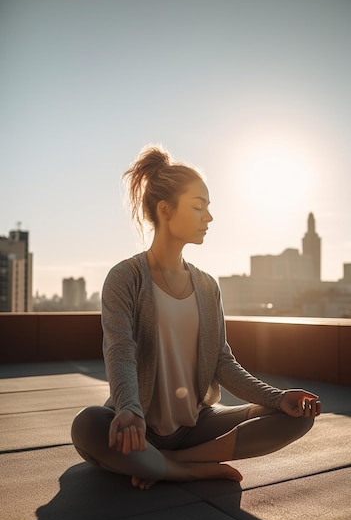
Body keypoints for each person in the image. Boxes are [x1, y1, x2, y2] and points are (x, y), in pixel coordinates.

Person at [71, 145, 321, 490]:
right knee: (87, 425)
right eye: (198, 207)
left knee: (297, 416)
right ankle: (187, 469)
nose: (209, 217)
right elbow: (119, 349)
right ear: (165, 210)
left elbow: (222, 362)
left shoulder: (206, 286)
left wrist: (277, 397)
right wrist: (128, 409)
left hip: (196, 427)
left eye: (208, 208)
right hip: (137, 427)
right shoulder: (126, 277)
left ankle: (173, 463)